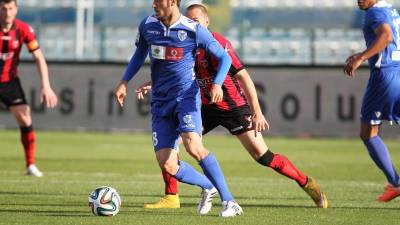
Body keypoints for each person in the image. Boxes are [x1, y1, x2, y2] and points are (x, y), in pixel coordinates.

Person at [138, 3, 328, 210]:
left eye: (196, 21)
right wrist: (153, 83)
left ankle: (306, 182)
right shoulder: (185, 40)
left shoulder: (218, 43)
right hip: (205, 107)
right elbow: (175, 71)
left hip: (233, 108)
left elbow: (244, 77)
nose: (192, 24)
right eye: (189, 20)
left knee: (262, 156)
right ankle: (172, 196)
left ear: (206, 22)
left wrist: (256, 111)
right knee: (173, 143)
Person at [114, 0, 243, 217]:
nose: (154, 4)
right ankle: (208, 186)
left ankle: (229, 201)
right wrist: (124, 81)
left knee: (194, 146)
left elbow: (224, 58)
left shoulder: (193, 30)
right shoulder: (147, 25)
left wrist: (217, 83)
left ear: (173, 2)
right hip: (159, 103)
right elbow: (139, 55)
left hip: (186, 98)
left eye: (158, 0)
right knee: (168, 165)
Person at [344, 0, 400, 202]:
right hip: (398, 71)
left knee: (368, 133)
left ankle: (396, 183)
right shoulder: (390, 10)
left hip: (384, 78)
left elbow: (386, 36)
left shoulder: (374, 13)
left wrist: (361, 57)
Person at [0, 0, 57, 177]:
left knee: (25, 118)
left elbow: (39, 57)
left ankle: (30, 165)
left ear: (16, 9)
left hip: (9, 81)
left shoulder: (23, 29)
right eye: (3, 8)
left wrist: (46, 86)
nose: (7, 12)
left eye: (10, 8)